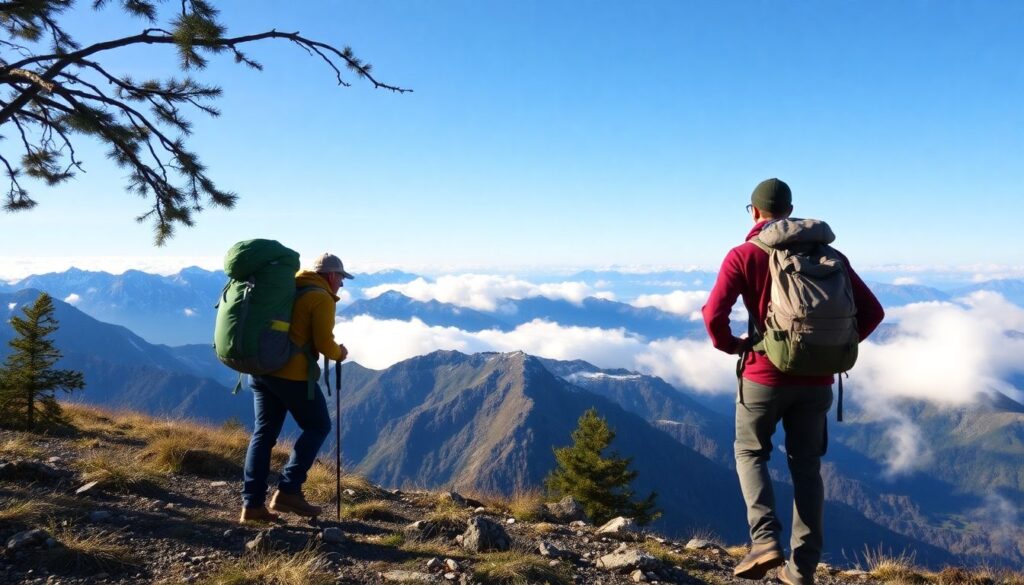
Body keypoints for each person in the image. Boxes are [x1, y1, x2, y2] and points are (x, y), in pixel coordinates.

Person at [701, 179, 883, 585]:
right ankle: (801, 570)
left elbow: (714, 315)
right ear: (790, 210)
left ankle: (765, 541)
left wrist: (733, 346)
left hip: (763, 375)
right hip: (817, 383)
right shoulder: (831, 256)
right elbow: (873, 312)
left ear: (754, 211)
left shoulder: (744, 255)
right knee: (807, 468)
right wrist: (833, 349)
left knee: (750, 452)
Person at [239, 252, 353, 523]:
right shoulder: (321, 298)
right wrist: (339, 353)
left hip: (261, 370)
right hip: (291, 375)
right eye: (341, 278)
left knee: (263, 434)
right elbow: (324, 343)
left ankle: (252, 506)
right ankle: (289, 491)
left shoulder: (290, 287)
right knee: (318, 426)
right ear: (332, 275)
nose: (341, 284)